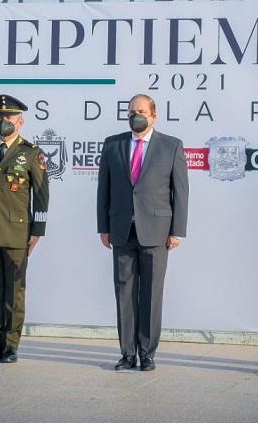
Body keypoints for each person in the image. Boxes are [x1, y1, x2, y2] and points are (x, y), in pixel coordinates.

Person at [97, 94, 189, 371]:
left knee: (151, 294)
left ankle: (147, 353)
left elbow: (180, 192)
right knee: (124, 293)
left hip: (156, 232)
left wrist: (177, 231)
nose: (135, 116)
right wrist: (103, 227)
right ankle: (127, 354)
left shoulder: (171, 146)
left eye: (141, 111)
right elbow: (104, 189)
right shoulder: (113, 144)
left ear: (153, 116)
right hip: (121, 230)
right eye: (131, 112)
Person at [0, 94, 49, 364]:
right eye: (0, 116)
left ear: (20, 122)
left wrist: (37, 230)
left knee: (14, 290)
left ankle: (11, 345)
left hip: (17, 232)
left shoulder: (31, 153)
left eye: (9, 117)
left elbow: (41, 196)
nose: (4, 120)